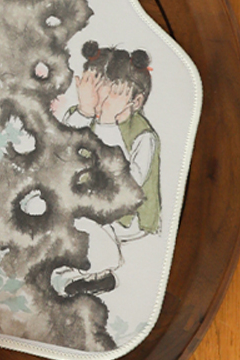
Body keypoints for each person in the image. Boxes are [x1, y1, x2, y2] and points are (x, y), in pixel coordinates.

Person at [51, 43, 162, 237]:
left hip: (124, 223)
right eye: (92, 94)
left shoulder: (143, 136)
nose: (97, 105)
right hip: (82, 208)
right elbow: (58, 157)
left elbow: (126, 186)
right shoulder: (81, 116)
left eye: (109, 99)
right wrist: (84, 111)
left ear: (135, 102)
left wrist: (109, 123)